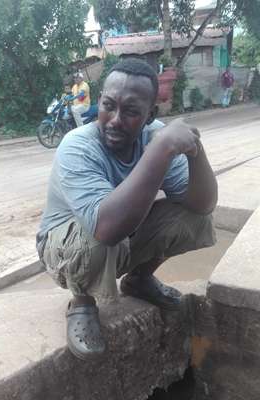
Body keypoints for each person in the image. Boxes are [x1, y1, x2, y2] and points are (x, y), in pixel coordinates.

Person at [36, 58, 218, 360]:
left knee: (193, 219)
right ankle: (81, 304)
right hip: (65, 245)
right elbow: (106, 228)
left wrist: (196, 152)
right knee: (100, 235)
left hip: (117, 236)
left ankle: (139, 279)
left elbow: (202, 204)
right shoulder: (77, 145)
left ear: (150, 115)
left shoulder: (156, 135)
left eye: (132, 111)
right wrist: (159, 151)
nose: (115, 119)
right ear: (99, 102)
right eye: (108, 105)